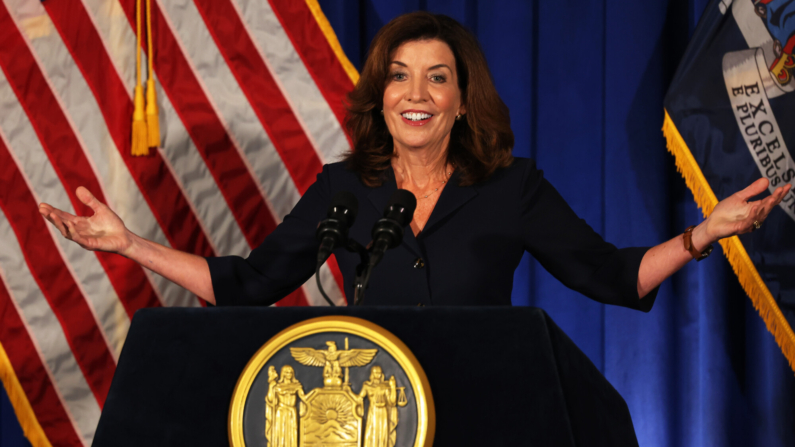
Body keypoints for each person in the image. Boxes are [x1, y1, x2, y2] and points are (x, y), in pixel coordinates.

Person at [38, 12, 791, 307]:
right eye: (398, 76)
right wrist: (129, 244)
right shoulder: (344, 190)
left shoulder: (511, 186)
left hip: (484, 411)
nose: (416, 93)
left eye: (437, 77)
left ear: (462, 100)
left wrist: (703, 232)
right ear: (379, 97)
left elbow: (606, 272)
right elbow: (250, 281)